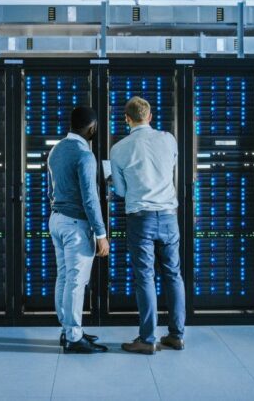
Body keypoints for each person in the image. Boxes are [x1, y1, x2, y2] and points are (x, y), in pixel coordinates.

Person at [110, 96, 186, 355]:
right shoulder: (168, 139)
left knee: (145, 277)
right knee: (173, 275)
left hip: (140, 219)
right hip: (168, 216)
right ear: (150, 116)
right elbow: (170, 169)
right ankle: (176, 336)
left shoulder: (119, 149)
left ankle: (148, 338)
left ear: (126, 119)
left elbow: (120, 192)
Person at [48, 106, 110, 354]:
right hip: (75, 225)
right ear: (92, 127)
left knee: (64, 277)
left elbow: (53, 190)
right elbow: (90, 198)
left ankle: (68, 330)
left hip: (57, 220)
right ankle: (74, 337)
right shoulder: (85, 155)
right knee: (76, 281)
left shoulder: (56, 149)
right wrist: (101, 234)